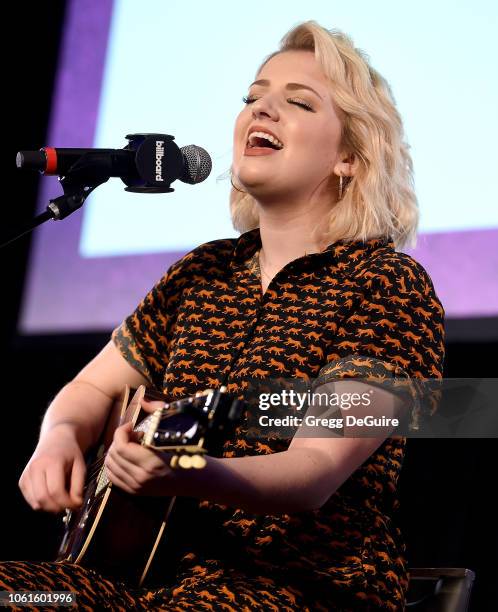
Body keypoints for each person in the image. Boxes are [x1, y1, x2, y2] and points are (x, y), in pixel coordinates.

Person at [1, 20, 444, 611]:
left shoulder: (385, 286)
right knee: (18, 598)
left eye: (298, 102)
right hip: (140, 583)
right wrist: (58, 437)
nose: (263, 111)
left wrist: (188, 469)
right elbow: (92, 387)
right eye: (253, 98)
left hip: (299, 589)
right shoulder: (202, 273)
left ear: (351, 158)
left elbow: (313, 470)